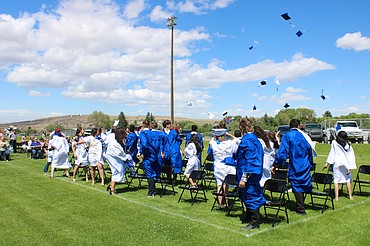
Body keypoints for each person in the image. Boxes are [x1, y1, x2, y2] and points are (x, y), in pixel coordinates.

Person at [273, 119, 313, 215]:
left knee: (296, 185)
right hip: (305, 163)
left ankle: (301, 208)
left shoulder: (287, 136)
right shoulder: (304, 136)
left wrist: (276, 163)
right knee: (302, 184)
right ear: (299, 126)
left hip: (295, 164)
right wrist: (310, 163)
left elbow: (282, 151)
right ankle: (300, 205)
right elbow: (310, 150)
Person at [236, 118, 266, 230]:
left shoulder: (249, 140)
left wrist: (244, 178)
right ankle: (249, 217)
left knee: (251, 195)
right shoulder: (253, 139)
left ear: (241, 127)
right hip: (250, 172)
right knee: (246, 194)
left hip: (250, 173)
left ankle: (255, 222)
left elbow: (251, 160)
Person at [208, 129, 238, 208]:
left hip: (218, 166)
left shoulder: (214, 144)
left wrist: (215, 135)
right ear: (224, 136)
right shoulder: (229, 143)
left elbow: (211, 141)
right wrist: (229, 135)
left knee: (219, 185)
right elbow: (236, 140)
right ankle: (227, 203)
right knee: (226, 185)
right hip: (227, 166)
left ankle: (220, 203)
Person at [323, 130, 356, 201]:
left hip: (337, 163)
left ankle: (336, 197)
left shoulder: (334, 142)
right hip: (346, 164)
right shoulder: (348, 145)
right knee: (347, 179)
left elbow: (332, 153)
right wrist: (349, 167)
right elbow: (351, 156)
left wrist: (327, 163)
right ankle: (350, 196)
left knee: (336, 180)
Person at [139, 120, 162, 197]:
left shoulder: (144, 133)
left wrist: (143, 152)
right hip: (157, 155)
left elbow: (144, 144)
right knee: (155, 171)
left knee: (149, 172)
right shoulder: (156, 133)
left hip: (149, 155)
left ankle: (151, 191)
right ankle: (153, 188)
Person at [105, 128, 128, 194]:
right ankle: (112, 189)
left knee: (115, 171)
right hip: (113, 157)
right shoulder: (115, 143)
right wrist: (126, 156)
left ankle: (111, 186)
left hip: (113, 156)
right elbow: (119, 153)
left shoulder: (115, 139)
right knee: (117, 171)